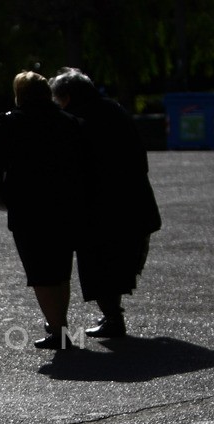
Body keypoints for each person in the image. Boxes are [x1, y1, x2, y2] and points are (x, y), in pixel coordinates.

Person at [49, 67, 161, 338]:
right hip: (133, 200)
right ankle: (112, 315)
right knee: (119, 262)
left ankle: (112, 317)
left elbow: (75, 166)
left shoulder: (77, 119)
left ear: (67, 96)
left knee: (98, 262)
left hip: (99, 206)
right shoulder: (114, 110)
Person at [0, 71, 88, 350]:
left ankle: (58, 331)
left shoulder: (11, 122)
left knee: (40, 271)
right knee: (60, 268)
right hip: (64, 203)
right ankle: (59, 324)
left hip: (28, 205)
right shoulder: (69, 122)